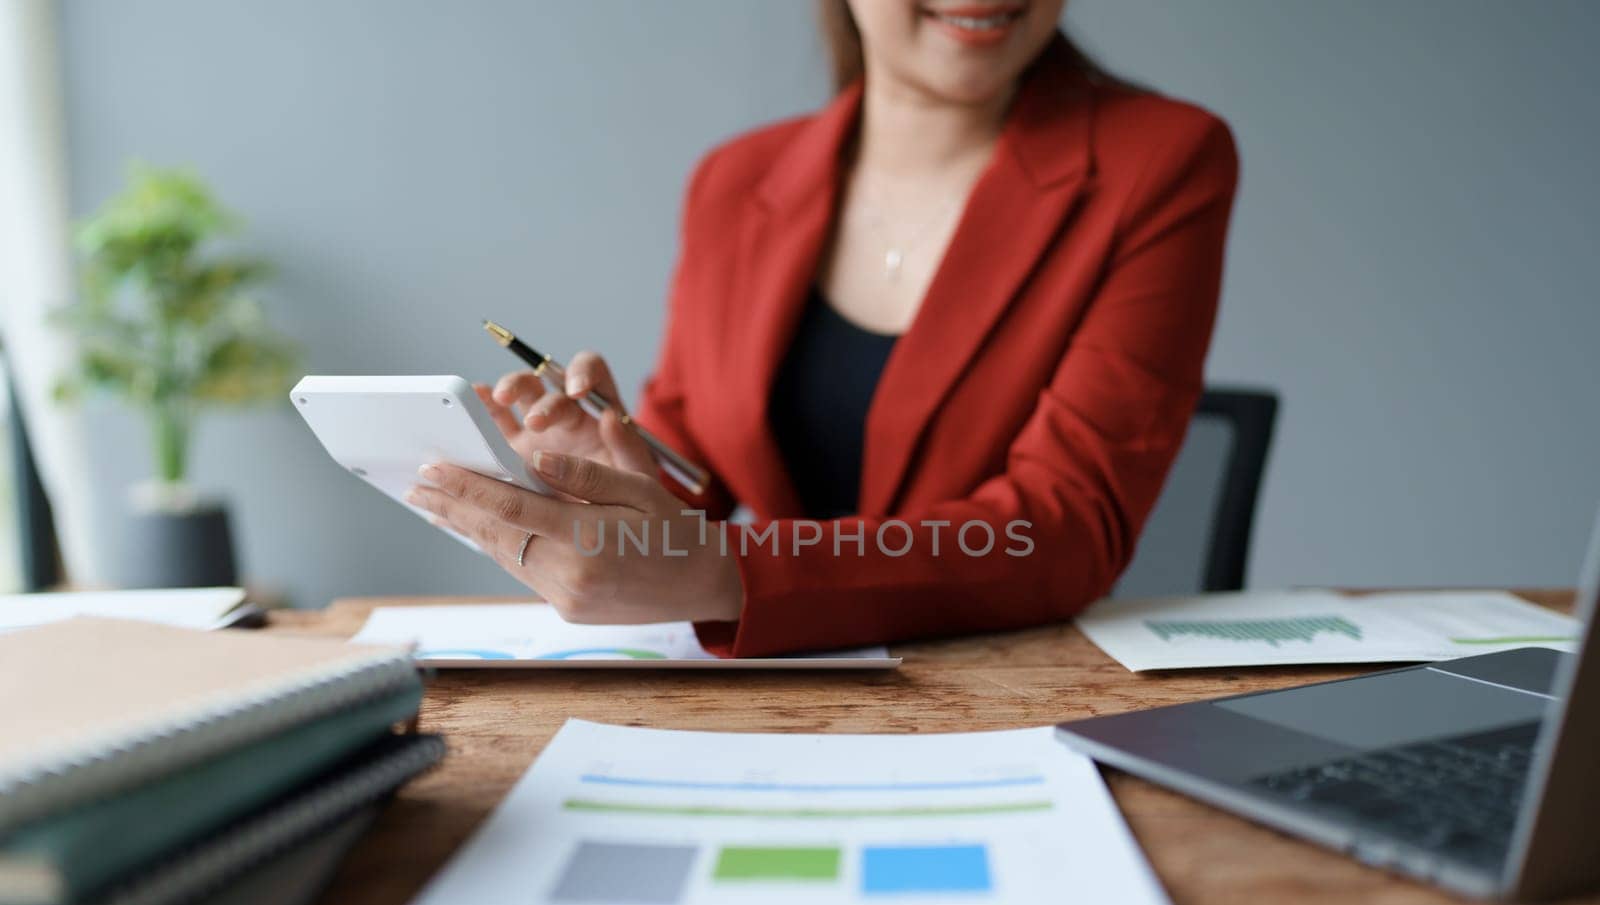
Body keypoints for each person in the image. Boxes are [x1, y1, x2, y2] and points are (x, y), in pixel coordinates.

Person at [407, 0, 1238, 656]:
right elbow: (701, 458)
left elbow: (1063, 530)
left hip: (1004, 697)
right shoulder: (737, 181)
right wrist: (619, 473)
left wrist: (733, 574)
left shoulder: (1161, 161)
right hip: (782, 702)